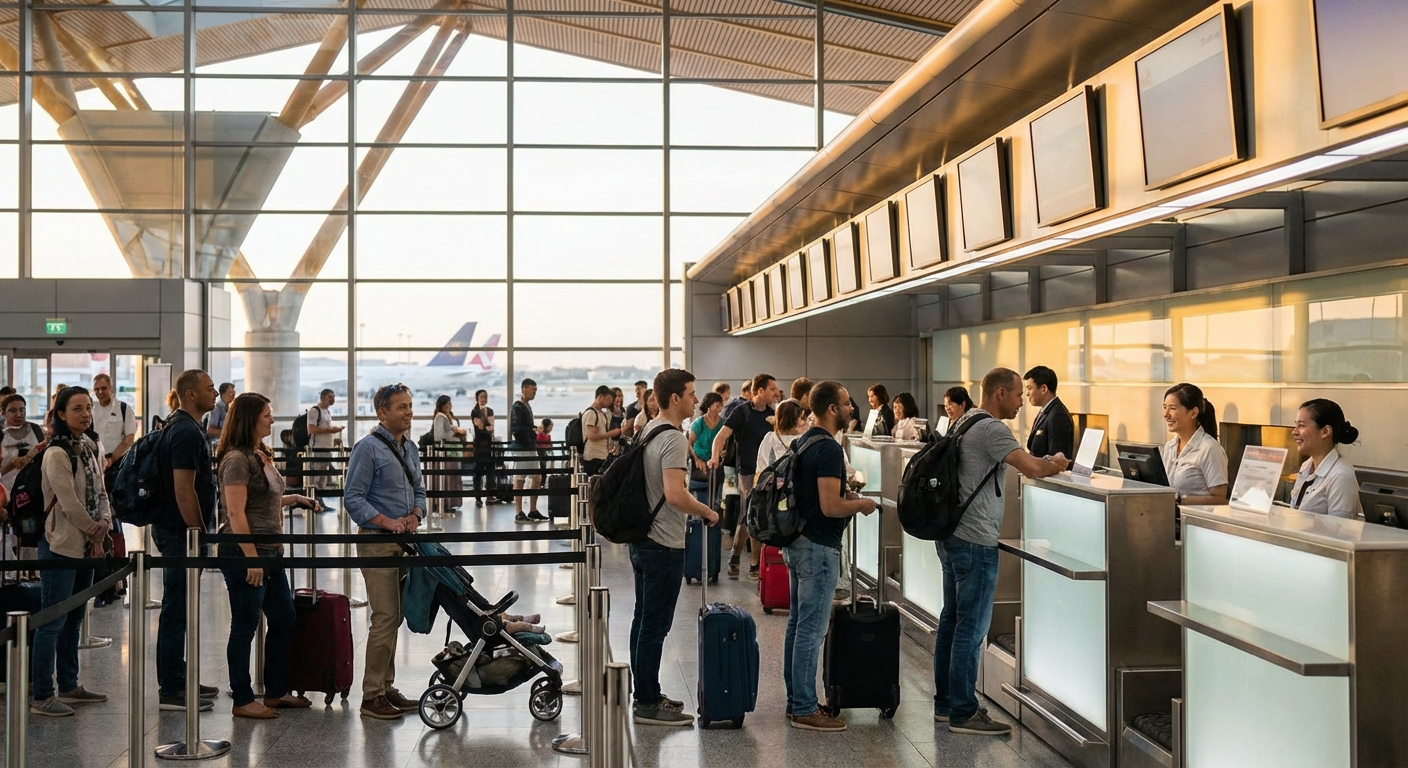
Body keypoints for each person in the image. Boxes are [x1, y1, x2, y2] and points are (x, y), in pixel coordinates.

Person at [934, 368, 1069, 736]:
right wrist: (1057, 463)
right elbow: (1033, 467)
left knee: (951, 621)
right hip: (975, 542)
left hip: (950, 537)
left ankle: (945, 704)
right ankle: (964, 711)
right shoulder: (992, 429)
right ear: (998, 393)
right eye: (1015, 394)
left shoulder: (963, 422)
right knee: (971, 629)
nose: (1020, 401)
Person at [780, 381, 877, 732]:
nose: (852, 408)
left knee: (797, 624)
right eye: (847, 404)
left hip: (797, 541)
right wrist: (861, 504)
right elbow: (830, 506)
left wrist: (844, 491)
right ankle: (805, 707)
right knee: (811, 628)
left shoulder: (803, 441)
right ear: (833, 409)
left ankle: (796, 699)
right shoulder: (830, 449)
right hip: (818, 547)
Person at [215, 393, 318, 719]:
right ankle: (243, 698)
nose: (272, 420)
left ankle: (275, 690)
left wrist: (295, 499)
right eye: (266, 415)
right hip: (247, 552)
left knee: (284, 617)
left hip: (269, 551)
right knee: (244, 626)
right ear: (249, 419)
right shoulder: (236, 460)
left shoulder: (258, 455)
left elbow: (263, 501)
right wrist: (251, 558)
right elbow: (235, 512)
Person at [629, 369, 718, 726]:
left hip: (643, 538)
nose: (697, 400)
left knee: (643, 620)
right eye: (693, 394)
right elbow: (675, 494)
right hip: (663, 543)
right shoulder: (674, 439)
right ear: (676, 398)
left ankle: (646, 692)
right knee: (654, 625)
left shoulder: (649, 428)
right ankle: (647, 702)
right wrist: (707, 511)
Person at [344, 383, 426, 720]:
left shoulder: (411, 448)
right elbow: (353, 498)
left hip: (404, 542)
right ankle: (371, 695)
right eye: (401, 407)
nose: (408, 412)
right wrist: (387, 522)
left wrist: (415, 516)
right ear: (382, 412)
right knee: (385, 617)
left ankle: (386, 686)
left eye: (410, 405)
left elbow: (419, 490)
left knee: (396, 617)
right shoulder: (368, 449)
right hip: (377, 541)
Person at [30, 386, 111, 717]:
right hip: (61, 546)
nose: (85, 414)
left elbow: (101, 491)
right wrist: (94, 530)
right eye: (77, 408)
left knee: (76, 616)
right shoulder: (56, 453)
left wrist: (105, 520)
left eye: (88, 408)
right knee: (52, 620)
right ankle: (42, 694)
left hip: (88, 546)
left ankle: (69, 684)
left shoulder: (89, 448)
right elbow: (68, 503)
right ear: (61, 415)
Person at [153, 369, 220, 712]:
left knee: (180, 608)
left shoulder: (181, 426)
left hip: (178, 531)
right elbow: (184, 488)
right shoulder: (185, 432)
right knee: (176, 610)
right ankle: (171, 689)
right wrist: (198, 533)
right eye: (210, 389)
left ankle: (179, 676)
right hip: (181, 534)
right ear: (191, 394)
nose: (215, 394)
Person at [708, 373, 782, 580]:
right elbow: (722, 435)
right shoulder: (742, 411)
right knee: (753, 511)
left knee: (749, 513)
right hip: (747, 469)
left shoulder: (772, 414)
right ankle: (754, 563)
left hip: (767, 471)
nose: (776, 392)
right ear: (760, 391)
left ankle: (735, 557)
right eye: (772, 389)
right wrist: (714, 457)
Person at [1290, 399, 1362, 519]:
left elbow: (1339, 530)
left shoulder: (1341, 475)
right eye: (1295, 425)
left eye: (1301, 426)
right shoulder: (1306, 466)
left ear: (1325, 431)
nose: (1294, 432)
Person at [1161, 383, 1229, 506]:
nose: (1165, 414)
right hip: (1170, 520)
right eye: (1164, 407)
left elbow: (1220, 499)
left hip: (1195, 523)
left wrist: (1179, 500)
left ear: (1193, 413)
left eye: (1172, 408)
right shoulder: (1169, 447)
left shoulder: (1209, 448)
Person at [509, 379, 546, 523]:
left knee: (537, 477)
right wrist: (532, 431)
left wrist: (533, 430)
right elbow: (516, 429)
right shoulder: (517, 407)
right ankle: (518, 511)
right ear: (523, 389)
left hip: (530, 447)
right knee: (520, 478)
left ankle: (532, 509)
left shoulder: (526, 406)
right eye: (532, 389)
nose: (534, 392)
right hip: (522, 447)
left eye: (535, 390)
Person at [90, 374, 136, 482]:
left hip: (118, 463)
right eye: (96, 389)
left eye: (103, 388)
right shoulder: (91, 410)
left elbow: (129, 439)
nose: (100, 392)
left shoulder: (124, 409)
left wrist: (111, 459)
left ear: (111, 388)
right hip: (95, 463)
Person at [1023, 366, 1073, 459]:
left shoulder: (1057, 416)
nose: (1027, 393)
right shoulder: (1045, 411)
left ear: (1043, 389)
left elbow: (1057, 457)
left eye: (1029, 388)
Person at [2, 393, 46, 494]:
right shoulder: (1, 434)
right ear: (3, 413)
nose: (19, 414)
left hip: (33, 490)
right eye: (12, 411)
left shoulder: (36, 429)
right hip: (5, 492)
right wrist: (12, 464)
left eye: (22, 410)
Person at [432, 395, 467, 510]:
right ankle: (446, 502)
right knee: (449, 477)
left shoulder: (447, 417)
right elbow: (439, 436)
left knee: (453, 477)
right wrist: (455, 434)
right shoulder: (440, 417)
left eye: (450, 404)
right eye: (447, 404)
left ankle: (451, 502)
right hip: (447, 452)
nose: (449, 407)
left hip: (452, 450)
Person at [582, 386, 625, 476]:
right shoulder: (591, 413)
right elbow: (591, 436)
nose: (610, 402)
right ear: (600, 396)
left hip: (602, 455)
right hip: (593, 456)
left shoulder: (601, 413)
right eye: (608, 399)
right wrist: (611, 433)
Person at [306, 389, 343, 491]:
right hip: (317, 448)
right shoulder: (314, 411)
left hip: (326, 448)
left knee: (323, 476)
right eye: (329, 397)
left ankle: (320, 499)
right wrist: (330, 430)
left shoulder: (327, 412)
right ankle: (315, 498)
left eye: (333, 397)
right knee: (317, 475)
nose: (332, 399)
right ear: (322, 398)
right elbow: (311, 428)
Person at [757, 399, 807, 469]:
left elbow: (761, 464)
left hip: (775, 478)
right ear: (796, 419)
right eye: (802, 417)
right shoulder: (805, 439)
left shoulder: (770, 438)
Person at [470, 389, 494, 508]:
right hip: (479, 445)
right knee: (478, 472)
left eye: (485, 396)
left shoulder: (490, 410)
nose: (484, 399)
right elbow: (480, 426)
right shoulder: (474, 411)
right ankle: (478, 497)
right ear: (477, 398)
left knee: (490, 470)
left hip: (488, 444)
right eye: (481, 397)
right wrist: (486, 426)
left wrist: (485, 426)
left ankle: (490, 495)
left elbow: (491, 427)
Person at [206, 383, 236, 447]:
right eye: (230, 392)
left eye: (234, 392)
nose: (233, 395)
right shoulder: (217, 408)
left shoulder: (228, 408)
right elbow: (210, 430)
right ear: (223, 393)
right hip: (216, 444)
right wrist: (228, 434)